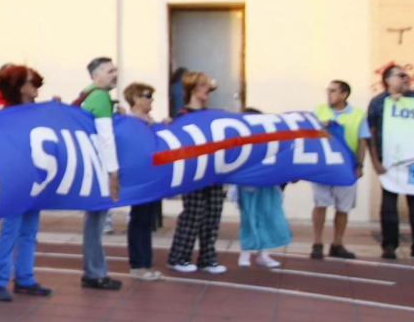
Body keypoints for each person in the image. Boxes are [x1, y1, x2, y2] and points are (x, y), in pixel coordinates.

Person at [0, 65, 52, 300]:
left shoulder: (39, 111)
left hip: (35, 177)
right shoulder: (5, 113)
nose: (35, 87)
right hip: (16, 179)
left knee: (29, 231)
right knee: (11, 230)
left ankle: (24, 278)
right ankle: (0, 281)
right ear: (19, 87)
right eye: (30, 82)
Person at [368, 65, 414, 260]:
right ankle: (389, 245)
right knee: (389, 205)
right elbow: (369, 133)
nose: (406, 79)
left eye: (407, 75)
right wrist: (375, 161)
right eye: (401, 75)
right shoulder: (378, 102)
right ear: (388, 80)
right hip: (389, 161)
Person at [168, 71, 228, 275]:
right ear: (193, 88)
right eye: (203, 85)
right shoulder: (183, 115)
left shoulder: (212, 115)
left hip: (214, 171)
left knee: (213, 214)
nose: (207, 90)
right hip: (194, 172)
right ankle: (179, 256)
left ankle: (207, 258)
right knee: (193, 215)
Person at [75, 57, 123, 292]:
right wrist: (113, 171)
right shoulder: (101, 97)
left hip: (88, 165)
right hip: (98, 167)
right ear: (96, 76)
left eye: (115, 70)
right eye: (110, 71)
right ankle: (95, 273)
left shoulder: (86, 94)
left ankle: (93, 270)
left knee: (93, 221)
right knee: (96, 222)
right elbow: (105, 136)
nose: (115, 74)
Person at [310, 80, 367, 260]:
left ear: (344, 95)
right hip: (322, 166)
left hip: (346, 167)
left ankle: (337, 243)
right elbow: (307, 133)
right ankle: (317, 243)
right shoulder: (319, 111)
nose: (329, 94)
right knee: (320, 203)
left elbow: (363, 141)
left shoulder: (358, 115)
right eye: (328, 90)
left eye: (333, 91)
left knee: (343, 207)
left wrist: (359, 165)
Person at [233, 111, 289, 268]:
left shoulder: (267, 140)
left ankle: (262, 253)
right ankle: (245, 252)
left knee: (265, 215)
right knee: (249, 217)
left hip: (266, 184)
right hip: (247, 184)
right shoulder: (240, 139)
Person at [121, 82, 163, 281]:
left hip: (153, 177)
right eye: (147, 95)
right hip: (139, 178)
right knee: (139, 219)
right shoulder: (127, 121)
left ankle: (146, 262)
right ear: (136, 98)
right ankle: (137, 264)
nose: (151, 99)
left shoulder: (152, 122)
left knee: (148, 220)